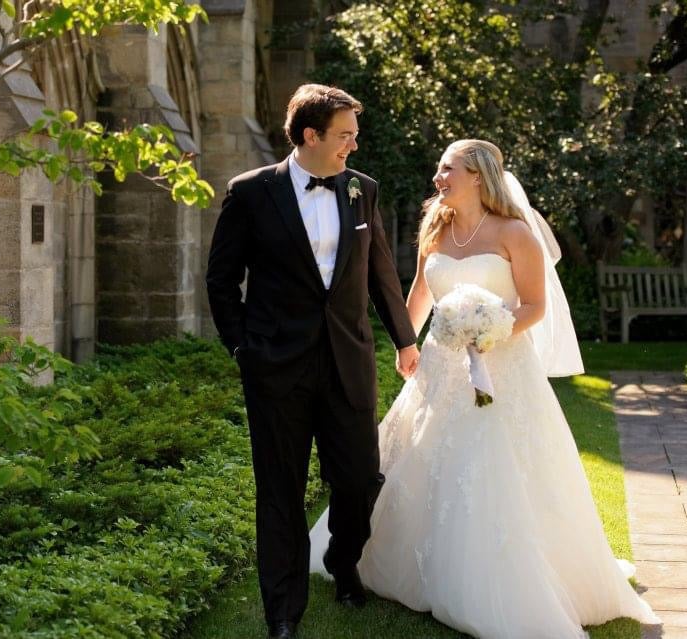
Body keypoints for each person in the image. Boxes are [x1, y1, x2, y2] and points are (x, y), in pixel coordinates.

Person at [309, 139, 661, 638]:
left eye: (447, 168)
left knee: (492, 466)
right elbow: (420, 292)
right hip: (438, 365)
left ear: (477, 175)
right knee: (417, 455)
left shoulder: (515, 232)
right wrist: (405, 344)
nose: (438, 177)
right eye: (438, 167)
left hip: (502, 367)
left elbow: (534, 306)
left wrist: (491, 331)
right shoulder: (436, 225)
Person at [206, 84, 420, 639]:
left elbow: (379, 274)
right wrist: (241, 347)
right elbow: (221, 278)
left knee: (357, 481)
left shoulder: (361, 191)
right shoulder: (251, 193)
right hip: (276, 366)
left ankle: (343, 562)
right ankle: (282, 613)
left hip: (348, 361)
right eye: (345, 134)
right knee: (280, 491)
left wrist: (404, 340)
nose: (354, 143)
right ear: (311, 135)